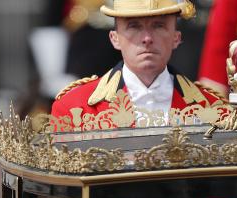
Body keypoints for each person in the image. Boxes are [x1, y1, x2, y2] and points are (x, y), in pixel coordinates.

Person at [50, 0, 225, 130]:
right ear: (115, 38)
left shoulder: (213, 108)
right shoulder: (74, 109)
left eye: (158, 26)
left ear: (176, 38)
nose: (147, 38)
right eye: (134, 26)